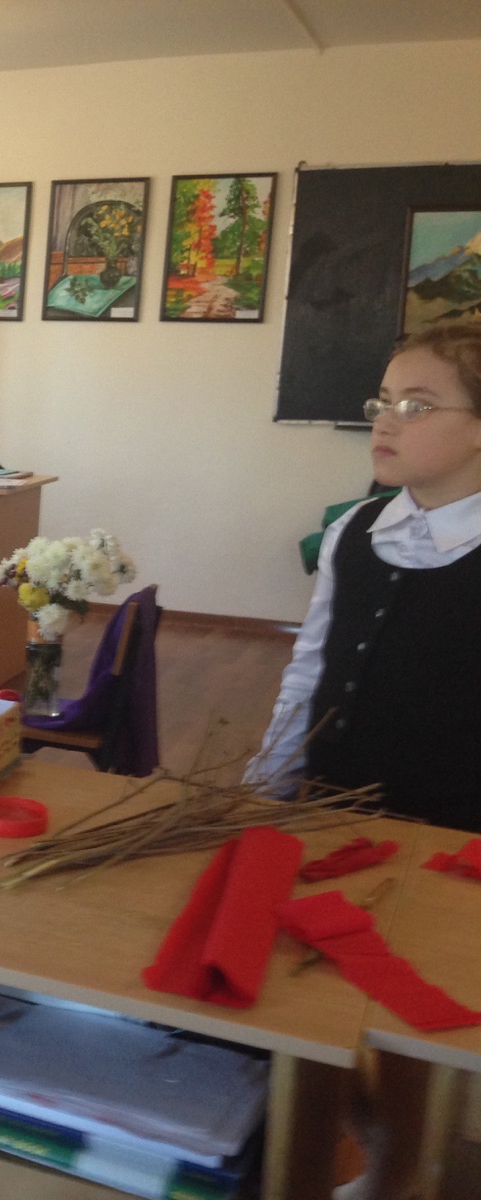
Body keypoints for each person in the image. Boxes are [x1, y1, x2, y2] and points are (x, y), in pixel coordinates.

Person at [244, 322, 481, 1200]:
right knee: (307, 1002)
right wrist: (265, 789)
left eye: (417, 405)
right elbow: (309, 668)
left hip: (454, 831)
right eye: (383, 400)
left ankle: (399, 1167)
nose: (386, 420)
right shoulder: (356, 530)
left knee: (417, 1014)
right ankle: (331, 1156)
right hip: (332, 808)